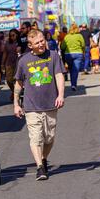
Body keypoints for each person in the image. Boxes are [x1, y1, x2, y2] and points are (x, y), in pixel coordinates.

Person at [14, 29, 65, 181]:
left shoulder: (53, 56)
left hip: (50, 104)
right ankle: (40, 167)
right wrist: (16, 103)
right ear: (30, 46)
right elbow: (18, 83)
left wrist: (61, 95)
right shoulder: (23, 60)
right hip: (31, 106)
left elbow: (59, 75)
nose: (41, 44)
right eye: (37, 42)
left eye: (42, 40)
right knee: (36, 138)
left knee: (49, 138)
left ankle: (43, 158)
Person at [61, 24, 85, 91]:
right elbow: (83, 45)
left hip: (68, 54)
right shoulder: (79, 36)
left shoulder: (67, 36)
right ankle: (73, 84)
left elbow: (62, 47)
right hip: (78, 54)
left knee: (71, 69)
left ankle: (73, 84)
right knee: (75, 70)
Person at [1, 29, 21, 101]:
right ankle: (14, 91)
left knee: (17, 80)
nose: (12, 37)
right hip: (9, 63)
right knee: (9, 80)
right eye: (10, 35)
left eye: (13, 35)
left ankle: (16, 94)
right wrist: (2, 64)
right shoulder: (7, 43)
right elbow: (5, 53)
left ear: (17, 35)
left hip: (18, 63)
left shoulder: (20, 42)